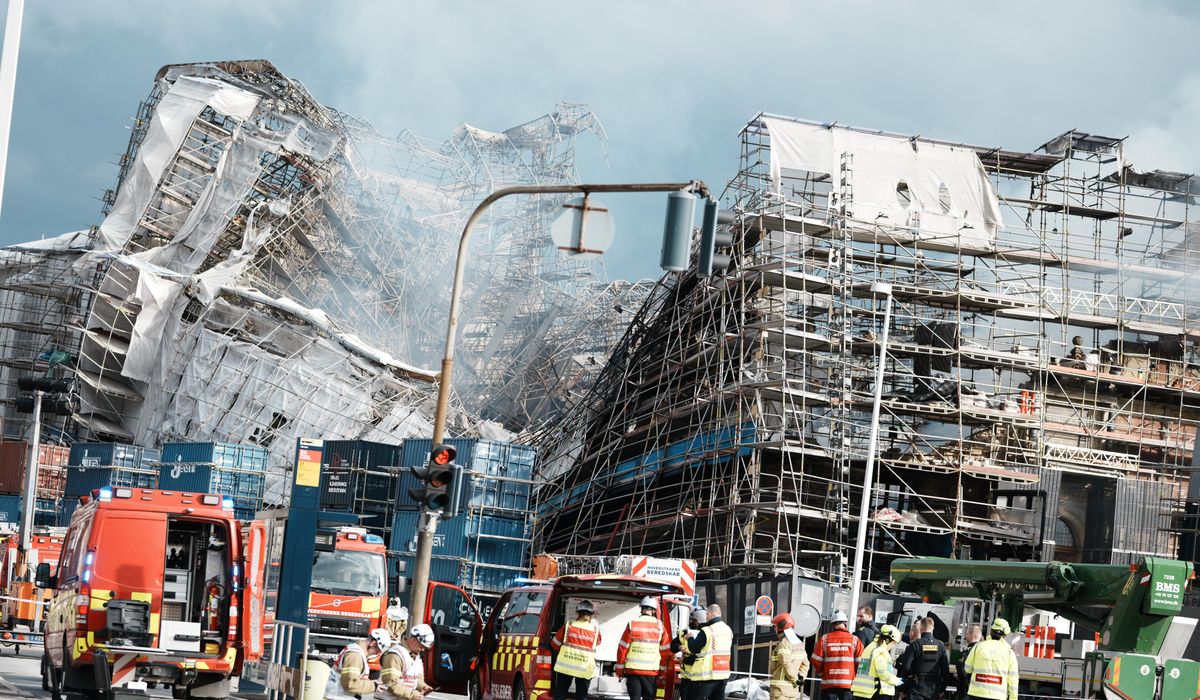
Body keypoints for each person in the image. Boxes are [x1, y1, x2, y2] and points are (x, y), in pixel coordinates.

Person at [618, 596, 671, 700]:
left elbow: (623, 648)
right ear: (654, 610)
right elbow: (665, 651)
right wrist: (662, 672)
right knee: (649, 697)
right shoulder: (660, 626)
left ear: (641, 608)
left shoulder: (632, 624)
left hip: (633, 670)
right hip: (651, 671)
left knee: (634, 698)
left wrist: (619, 670)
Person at [551, 600, 602, 700]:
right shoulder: (595, 631)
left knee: (560, 694)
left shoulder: (568, 626)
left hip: (565, 667)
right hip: (585, 669)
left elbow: (554, 644)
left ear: (578, 613)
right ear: (591, 615)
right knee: (582, 696)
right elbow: (598, 643)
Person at [326, 627, 391, 700]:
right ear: (373, 643)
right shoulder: (355, 655)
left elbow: (354, 679)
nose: (377, 654)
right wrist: (374, 686)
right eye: (378, 651)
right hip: (338, 697)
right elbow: (350, 684)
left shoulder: (357, 652)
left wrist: (373, 683)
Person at [812, 610, 864, 700]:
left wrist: (822, 673)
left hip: (829, 683)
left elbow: (816, 660)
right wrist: (854, 674)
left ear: (833, 624)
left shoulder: (824, 639)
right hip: (848, 684)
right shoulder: (855, 640)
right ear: (845, 623)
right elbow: (861, 662)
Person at [962, 619, 1017, 700]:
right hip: (998, 696)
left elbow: (967, 668)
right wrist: (1013, 698)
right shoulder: (1009, 652)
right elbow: (1013, 679)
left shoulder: (978, 647)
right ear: (1006, 633)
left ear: (991, 630)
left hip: (976, 694)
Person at [897, 617, 949, 700]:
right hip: (933, 689)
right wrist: (942, 689)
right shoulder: (940, 646)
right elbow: (945, 670)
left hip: (916, 689)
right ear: (933, 628)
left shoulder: (915, 645)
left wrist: (902, 689)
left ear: (921, 627)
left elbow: (906, 667)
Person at [380, 623, 435, 699]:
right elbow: (392, 683)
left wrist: (422, 686)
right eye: (421, 646)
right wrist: (412, 694)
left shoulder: (415, 657)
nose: (422, 649)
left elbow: (415, 679)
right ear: (413, 640)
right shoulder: (395, 655)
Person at [851, 624, 902, 699]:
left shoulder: (870, 647)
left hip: (861, 691)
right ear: (887, 640)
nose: (892, 646)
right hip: (874, 692)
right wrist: (896, 680)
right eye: (893, 643)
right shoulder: (881, 651)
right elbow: (882, 672)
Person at [767, 613, 810, 700]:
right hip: (793, 691)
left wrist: (794, 679)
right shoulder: (800, 644)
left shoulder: (784, 642)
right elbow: (805, 663)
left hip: (780, 691)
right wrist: (801, 677)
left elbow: (785, 662)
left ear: (781, 626)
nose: (775, 629)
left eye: (775, 627)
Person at [672, 607, 707, 700]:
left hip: (700, 678)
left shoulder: (705, 635)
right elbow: (673, 645)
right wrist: (679, 647)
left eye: (693, 620)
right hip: (687, 678)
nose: (691, 621)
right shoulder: (684, 632)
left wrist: (685, 660)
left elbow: (699, 656)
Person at [955, 625, 982, 700]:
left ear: (972, 635)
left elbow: (963, 669)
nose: (965, 636)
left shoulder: (970, 650)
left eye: (967, 634)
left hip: (966, 689)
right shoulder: (982, 650)